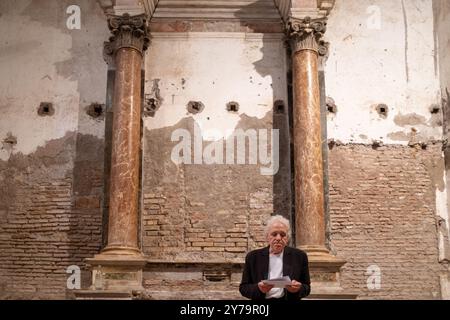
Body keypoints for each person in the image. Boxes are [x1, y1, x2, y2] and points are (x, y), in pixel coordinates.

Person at [239, 215, 311, 300]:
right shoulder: (253, 257)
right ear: (267, 237)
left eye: (283, 234)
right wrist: (258, 288)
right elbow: (243, 288)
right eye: (274, 234)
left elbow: (307, 288)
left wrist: (298, 289)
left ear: (287, 238)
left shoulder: (299, 256)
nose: (278, 238)